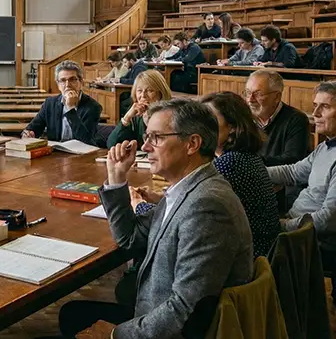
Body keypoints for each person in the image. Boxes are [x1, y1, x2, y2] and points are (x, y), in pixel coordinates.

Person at [58, 99, 254, 339]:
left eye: (156, 138)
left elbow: (185, 310)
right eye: (147, 137)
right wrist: (117, 177)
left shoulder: (206, 206)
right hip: (153, 313)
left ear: (192, 143)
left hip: (171, 330)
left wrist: (115, 334)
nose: (145, 146)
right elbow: (129, 238)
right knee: (71, 314)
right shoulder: (186, 188)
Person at [133, 92, 280, 258]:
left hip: (247, 260)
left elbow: (179, 219)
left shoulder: (230, 163)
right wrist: (161, 198)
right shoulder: (243, 156)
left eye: (211, 120)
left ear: (232, 127)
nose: (202, 126)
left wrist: (138, 205)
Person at [267, 82, 336, 254]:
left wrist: (281, 225)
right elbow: (293, 172)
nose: (315, 114)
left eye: (325, 107)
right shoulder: (325, 147)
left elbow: (327, 220)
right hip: (295, 228)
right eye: (315, 106)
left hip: (313, 242)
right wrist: (250, 171)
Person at [23, 60, 101, 145]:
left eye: (72, 79)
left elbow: (87, 141)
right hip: (54, 154)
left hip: (80, 155)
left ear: (81, 82)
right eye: (63, 80)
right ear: (58, 84)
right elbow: (33, 128)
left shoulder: (93, 107)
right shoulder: (49, 103)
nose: (67, 85)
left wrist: (70, 109)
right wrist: (28, 134)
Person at [244, 70, 310, 167]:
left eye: (258, 94)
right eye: (248, 93)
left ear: (276, 97)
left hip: (279, 179)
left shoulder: (296, 119)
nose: (250, 99)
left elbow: (292, 160)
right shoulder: (244, 117)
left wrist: (249, 163)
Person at [107, 70, 171, 148]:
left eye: (150, 90)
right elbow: (112, 144)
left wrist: (149, 124)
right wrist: (126, 118)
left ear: (161, 94)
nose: (143, 95)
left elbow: (164, 147)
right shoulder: (136, 114)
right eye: (139, 91)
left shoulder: (170, 114)